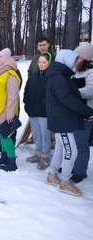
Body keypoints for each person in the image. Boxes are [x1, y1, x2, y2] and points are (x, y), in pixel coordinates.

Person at [45, 49, 93, 196]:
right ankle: (65, 182)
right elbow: (67, 99)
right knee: (72, 151)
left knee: (61, 148)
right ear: (66, 61)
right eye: (74, 61)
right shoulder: (59, 77)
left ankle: (52, 174)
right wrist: (87, 111)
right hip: (62, 120)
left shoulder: (61, 75)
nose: (76, 64)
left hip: (63, 118)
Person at [0, 48, 21, 172]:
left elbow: (13, 96)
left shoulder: (10, 75)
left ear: (5, 61)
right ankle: (5, 156)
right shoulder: (0, 73)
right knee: (2, 136)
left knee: (6, 137)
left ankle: (12, 161)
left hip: (5, 112)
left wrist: (10, 113)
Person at [23, 52, 52, 170]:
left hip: (44, 112)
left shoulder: (51, 76)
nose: (41, 64)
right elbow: (26, 90)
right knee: (36, 134)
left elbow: (50, 94)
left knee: (45, 134)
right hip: (32, 110)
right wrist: (26, 103)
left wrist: (43, 104)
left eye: (44, 62)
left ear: (49, 63)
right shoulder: (33, 76)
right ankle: (38, 153)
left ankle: (45, 156)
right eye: (39, 62)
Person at [71, 43, 93, 183]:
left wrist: (72, 92)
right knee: (75, 143)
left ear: (84, 58)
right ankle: (74, 166)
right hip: (76, 112)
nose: (75, 59)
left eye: (78, 56)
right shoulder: (76, 71)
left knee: (82, 145)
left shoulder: (91, 72)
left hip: (86, 114)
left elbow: (90, 90)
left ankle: (80, 172)